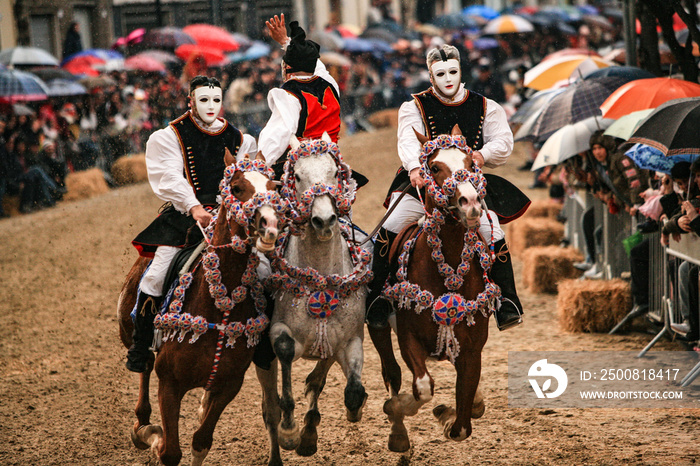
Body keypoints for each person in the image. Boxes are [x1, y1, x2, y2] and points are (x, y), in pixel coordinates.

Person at [366, 44, 527, 331]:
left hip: (467, 186)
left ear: (461, 70)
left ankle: (508, 302)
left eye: (453, 71)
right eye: (440, 73)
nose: (448, 78)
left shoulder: (486, 106)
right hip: (425, 183)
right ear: (430, 76)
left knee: (493, 231)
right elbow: (407, 140)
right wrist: (415, 168)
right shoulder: (414, 106)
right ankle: (377, 296)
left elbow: (503, 142)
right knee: (389, 228)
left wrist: (483, 154)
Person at [126, 76, 257, 373]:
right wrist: (194, 205)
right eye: (203, 100)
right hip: (185, 217)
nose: (211, 106)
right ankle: (142, 344)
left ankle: (263, 340)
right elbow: (169, 176)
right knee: (156, 274)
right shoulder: (170, 136)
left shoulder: (240, 139)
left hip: (229, 216)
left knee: (262, 267)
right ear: (190, 102)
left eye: (215, 100)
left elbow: (247, 180)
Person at [257, 15, 341, 177]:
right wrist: (285, 41)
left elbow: (278, 134)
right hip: (332, 167)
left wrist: (259, 165)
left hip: (304, 171)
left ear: (287, 67)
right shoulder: (330, 84)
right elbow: (314, 64)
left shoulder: (289, 94)